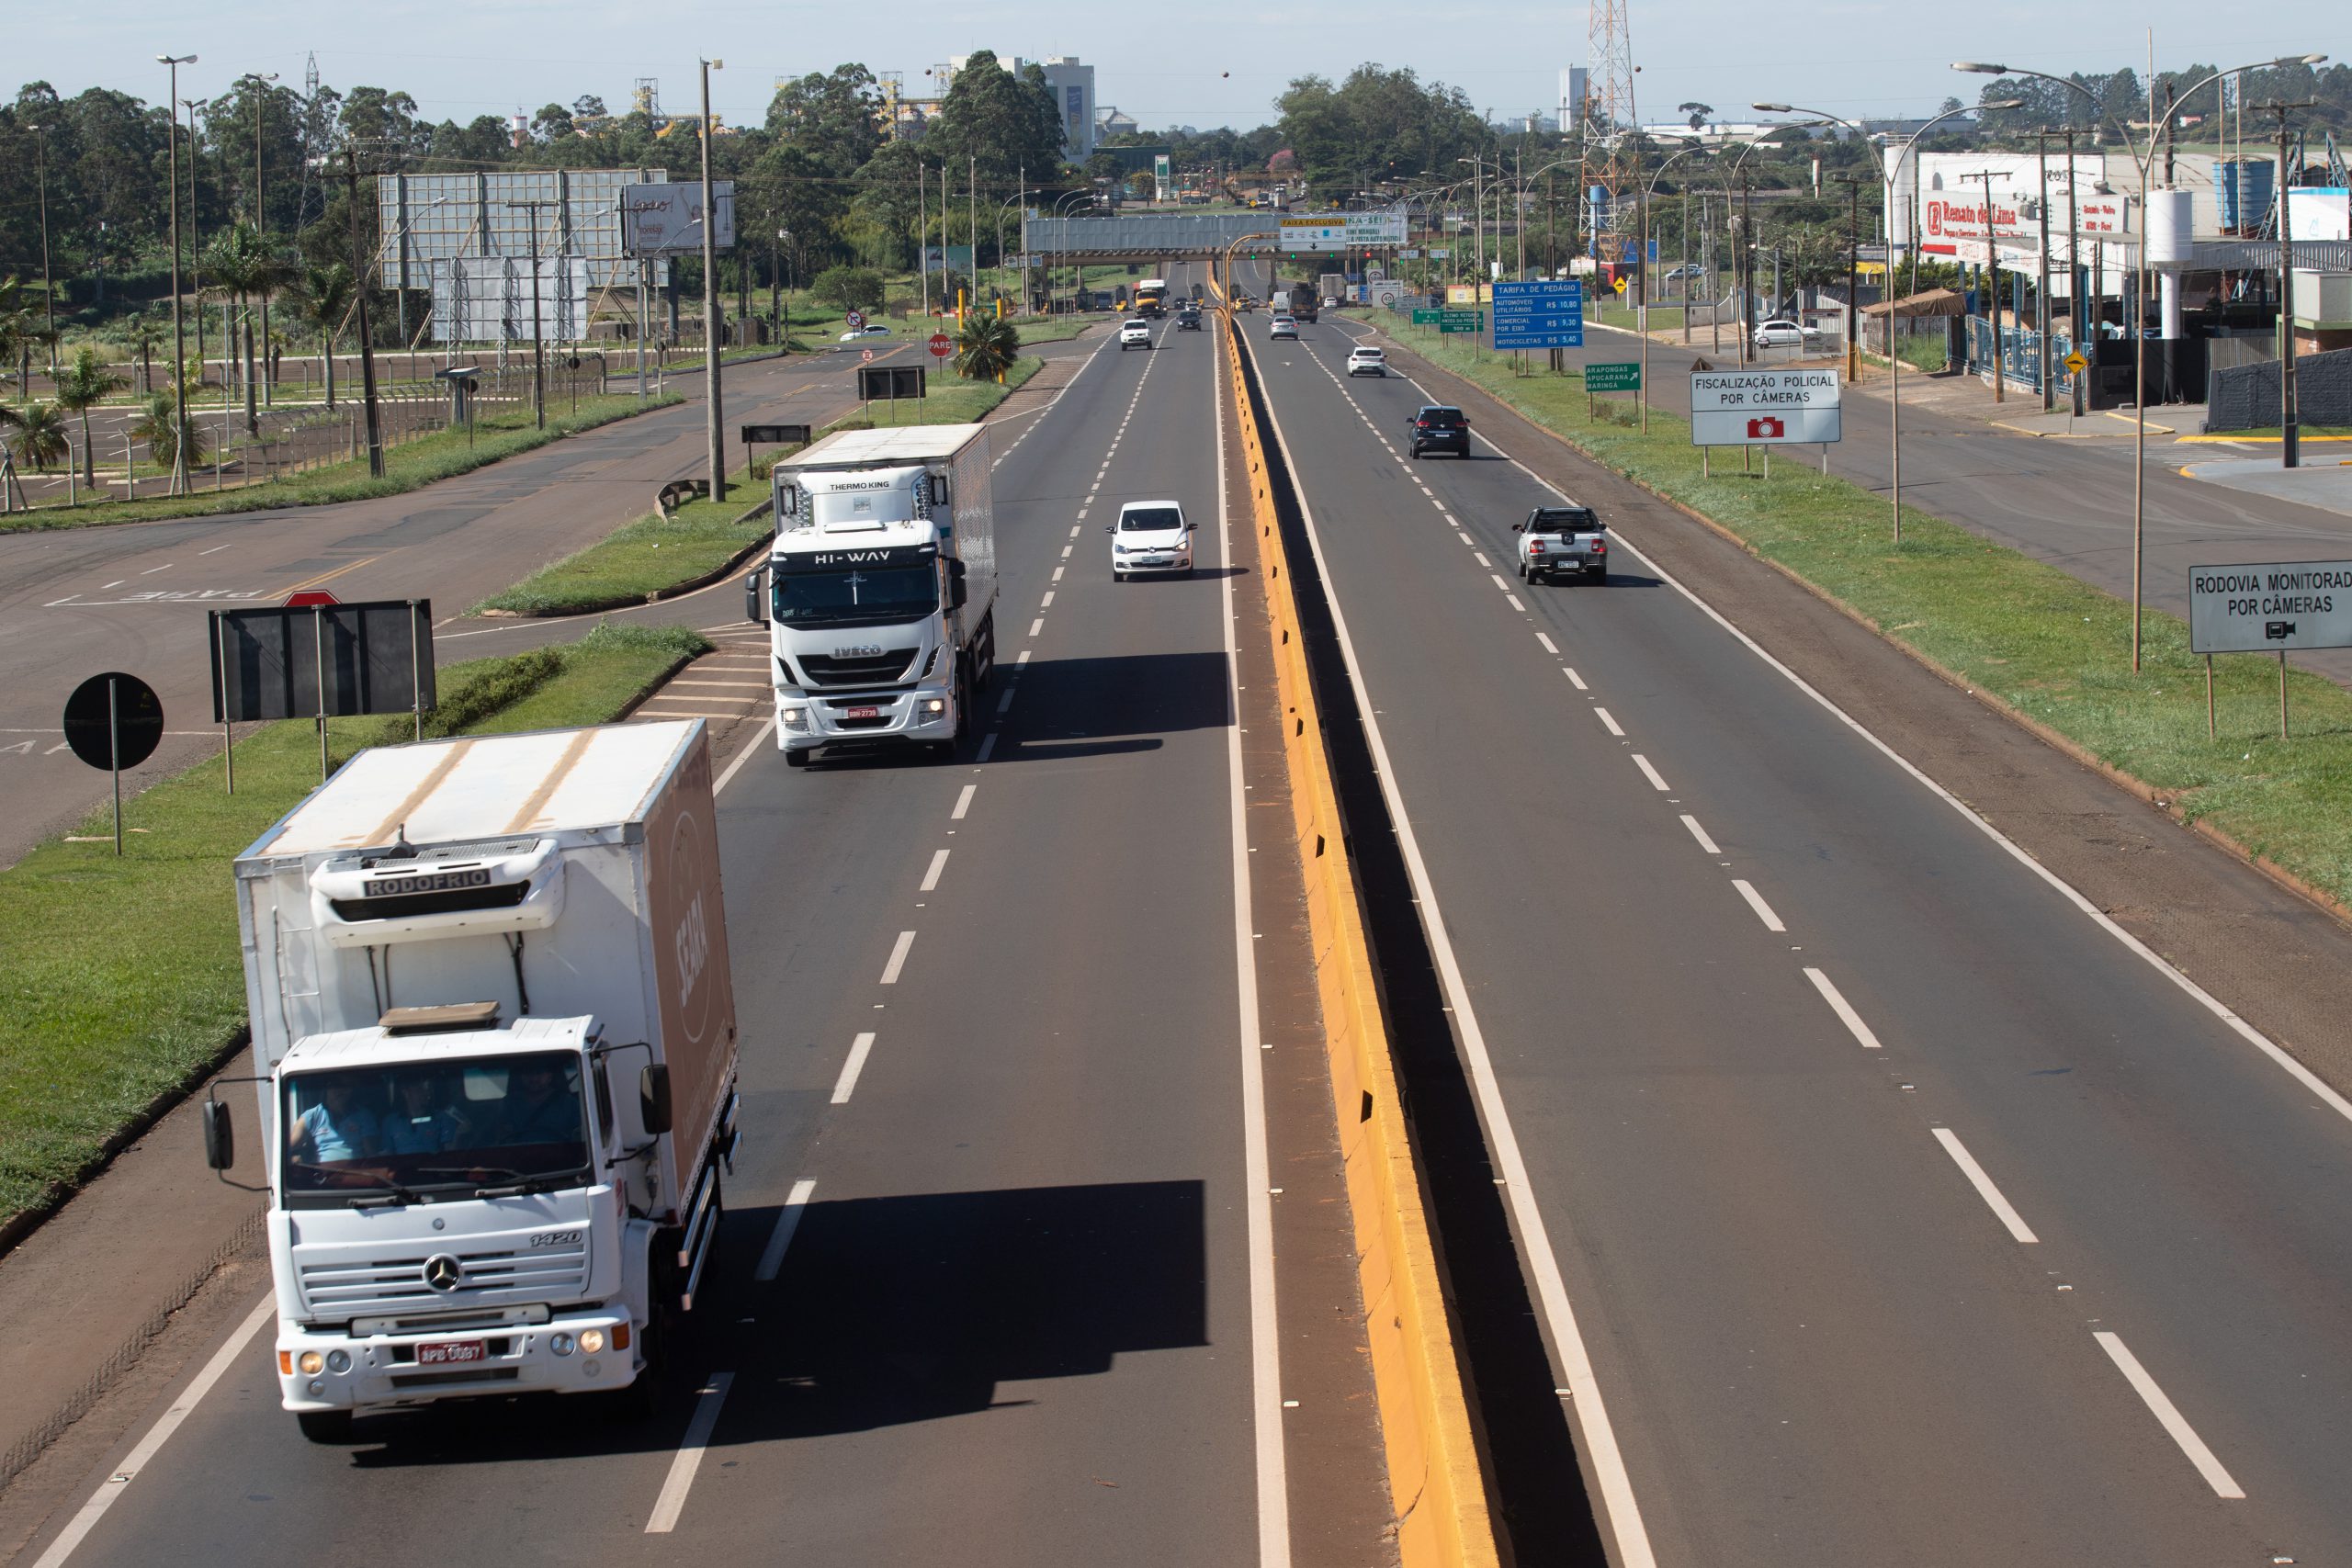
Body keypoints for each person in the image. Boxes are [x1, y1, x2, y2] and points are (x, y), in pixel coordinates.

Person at [288, 1080, 381, 1167]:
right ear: (327, 1089)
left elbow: (371, 1152)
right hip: (322, 1178)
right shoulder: (312, 1116)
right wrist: (292, 1158)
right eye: (337, 1086)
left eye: (346, 1087)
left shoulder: (364, 1116)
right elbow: (286, 1148)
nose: (341, 1091)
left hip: (356, 1176)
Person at [497, 1059, 583, 1148]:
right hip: (518, 1155)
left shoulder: (568, 1102)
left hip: (562, 1155)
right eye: (528, 1073)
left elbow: (579, 1134)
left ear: (550, 1076)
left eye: (539, 1073)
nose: (534, 1078)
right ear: (521, 1077)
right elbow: (502, 1135)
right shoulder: (509, 1103)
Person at [382, 1074, 466, 1155]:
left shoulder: (442, 1118)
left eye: (427, 1089)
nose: (426, 1093)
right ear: (406, 1092)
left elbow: (450, 1154)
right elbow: (388, 1154)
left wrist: (459, 1135)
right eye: (419, 1089)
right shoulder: (390, 1121)